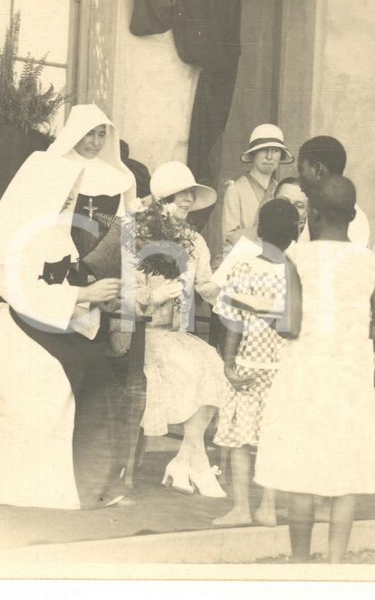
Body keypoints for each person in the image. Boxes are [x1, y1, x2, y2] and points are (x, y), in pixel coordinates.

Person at [0, 104, 136, 509]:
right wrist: (83, 296)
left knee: (97, 373)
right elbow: (11, 286)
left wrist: (95, 294)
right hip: (8, 324)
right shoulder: (12, 228)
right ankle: (59, 482)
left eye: (70, 194)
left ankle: (92, 482)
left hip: (46, 320)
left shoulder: (57, 233)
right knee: (60, 375)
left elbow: (61, 280)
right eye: (62, 194)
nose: (67, 200)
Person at [255, 176, 375, 563]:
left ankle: (301, 563)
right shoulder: (370, 262)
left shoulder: (298, 259)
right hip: (350, 379)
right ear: (352, 215)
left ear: (312, 215)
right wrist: (352, 328)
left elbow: (290, 325)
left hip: (305, 377)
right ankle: (335, 565)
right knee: (345, 474)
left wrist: (270, 315)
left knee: (301, 473)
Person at [124, 161, 229, 498]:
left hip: (178, 334)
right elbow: (128, 292)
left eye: (190, 194)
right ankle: (198, 465)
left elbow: (207, 286)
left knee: (214, 365)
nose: (188, 200)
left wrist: (234, 294)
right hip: (146, 335)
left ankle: (186, 460)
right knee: (190, 368)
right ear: (162, 199)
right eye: (180, 194)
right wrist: (153, 296)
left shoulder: (195, 241)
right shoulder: (139, 235)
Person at [211, 199, 300, 527]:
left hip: (249, 363)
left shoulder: (244, 267)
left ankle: (241, 508)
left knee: (241, 440)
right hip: (284, 368)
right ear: (296, 232)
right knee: (272, 439)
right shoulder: (296, 272)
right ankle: (268, 508)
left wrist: (229, 364)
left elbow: (233, 322)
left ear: (260, 230)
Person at [220, 124, 295, 259]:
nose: (269, 157)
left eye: (275, 151)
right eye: (264, 150)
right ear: (253, 154)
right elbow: (229, 238)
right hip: (243, 260)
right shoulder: (235, 189)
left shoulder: (281, 190)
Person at [295, 136, 370, 246]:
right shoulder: (316, 210)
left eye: (301, 171)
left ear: (318, 170)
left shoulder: (351, 220)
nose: (299, 180)